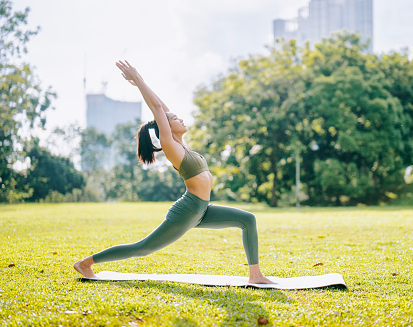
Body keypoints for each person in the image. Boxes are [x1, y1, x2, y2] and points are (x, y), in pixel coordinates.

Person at [73, 61, 274, 284]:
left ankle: (255, 275)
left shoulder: (183, 145)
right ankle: (85, 263)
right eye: (175, 119)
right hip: (188, 211)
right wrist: (138, 79)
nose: (179, 118)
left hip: (203, 209)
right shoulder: (171, 146)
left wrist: (143, 85)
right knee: (143, 248)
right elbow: (158, 110)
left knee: (247, 219)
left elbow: (162, 108)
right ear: (166, 129)